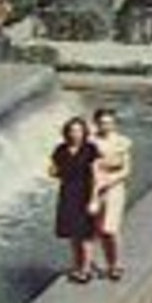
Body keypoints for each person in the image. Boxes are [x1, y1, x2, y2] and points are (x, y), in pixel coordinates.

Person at [49, 116, 100, 284]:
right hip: (68, 193)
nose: (75, 134)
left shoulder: (90, 149)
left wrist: (94, 199)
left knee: (85, 233)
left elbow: (95, 175)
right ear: (66, 133)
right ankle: (77, 265)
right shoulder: (61, 150)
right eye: (71, 131)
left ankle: (86, 270)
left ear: (84, 132)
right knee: (73, 233)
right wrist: (54, 172)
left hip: (84, 192)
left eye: (78, 130)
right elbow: (54, 169)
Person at [90, 107, 133, 281]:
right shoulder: (90, 142)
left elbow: (127, 169)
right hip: (93, 187)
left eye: (109, 123)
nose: (105, 126)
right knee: (95, 229)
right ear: (96, 124)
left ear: (114, 124)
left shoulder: (122, 142)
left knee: (110, 229)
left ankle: (115, 265)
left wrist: (110, 180)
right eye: (102, 123)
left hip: (114, 188)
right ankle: (93, 262)